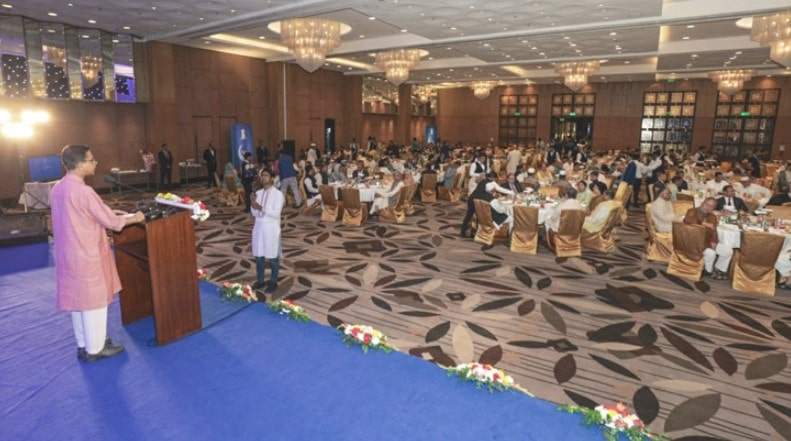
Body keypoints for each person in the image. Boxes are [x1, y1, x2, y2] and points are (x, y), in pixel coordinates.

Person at [51, 145, 145, 362]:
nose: (95, 163)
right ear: (79, 164)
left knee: (77, 301)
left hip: (67, 252)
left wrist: (109, 212)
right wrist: (136, 217)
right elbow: (111, 222)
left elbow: (81, 214)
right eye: (91, 159)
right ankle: (96, 349)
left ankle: (84, 344)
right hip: (86, 253)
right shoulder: (84, 191)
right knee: (94, 301)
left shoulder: (58, 187)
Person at [251, 168, 284, 294]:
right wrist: (253, 204)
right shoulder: (258, 193)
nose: (263, 178)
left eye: (266, 175)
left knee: (273, 257)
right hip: (258, 228)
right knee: (259, 256)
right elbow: (254, 213)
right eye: (262, 175)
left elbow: (276, 213)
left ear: (272, 178)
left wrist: (261, 208)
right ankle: (260, 281)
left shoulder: (278, 194)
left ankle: (273, 282)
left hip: (271, 229)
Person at [684, 197, 732, 280]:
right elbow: (689, 220)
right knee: (711, 253)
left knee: (728, 251)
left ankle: (719, 269)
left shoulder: (712, 216)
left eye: (711, 206)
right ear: (702, 203)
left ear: (713, 208)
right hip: (694, 242)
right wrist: (703, 223)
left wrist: (714, 241)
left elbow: (714, 231)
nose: (708, 207)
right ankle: (707, 271)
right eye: (707, 204)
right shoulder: (692, 211)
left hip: (707, 242)